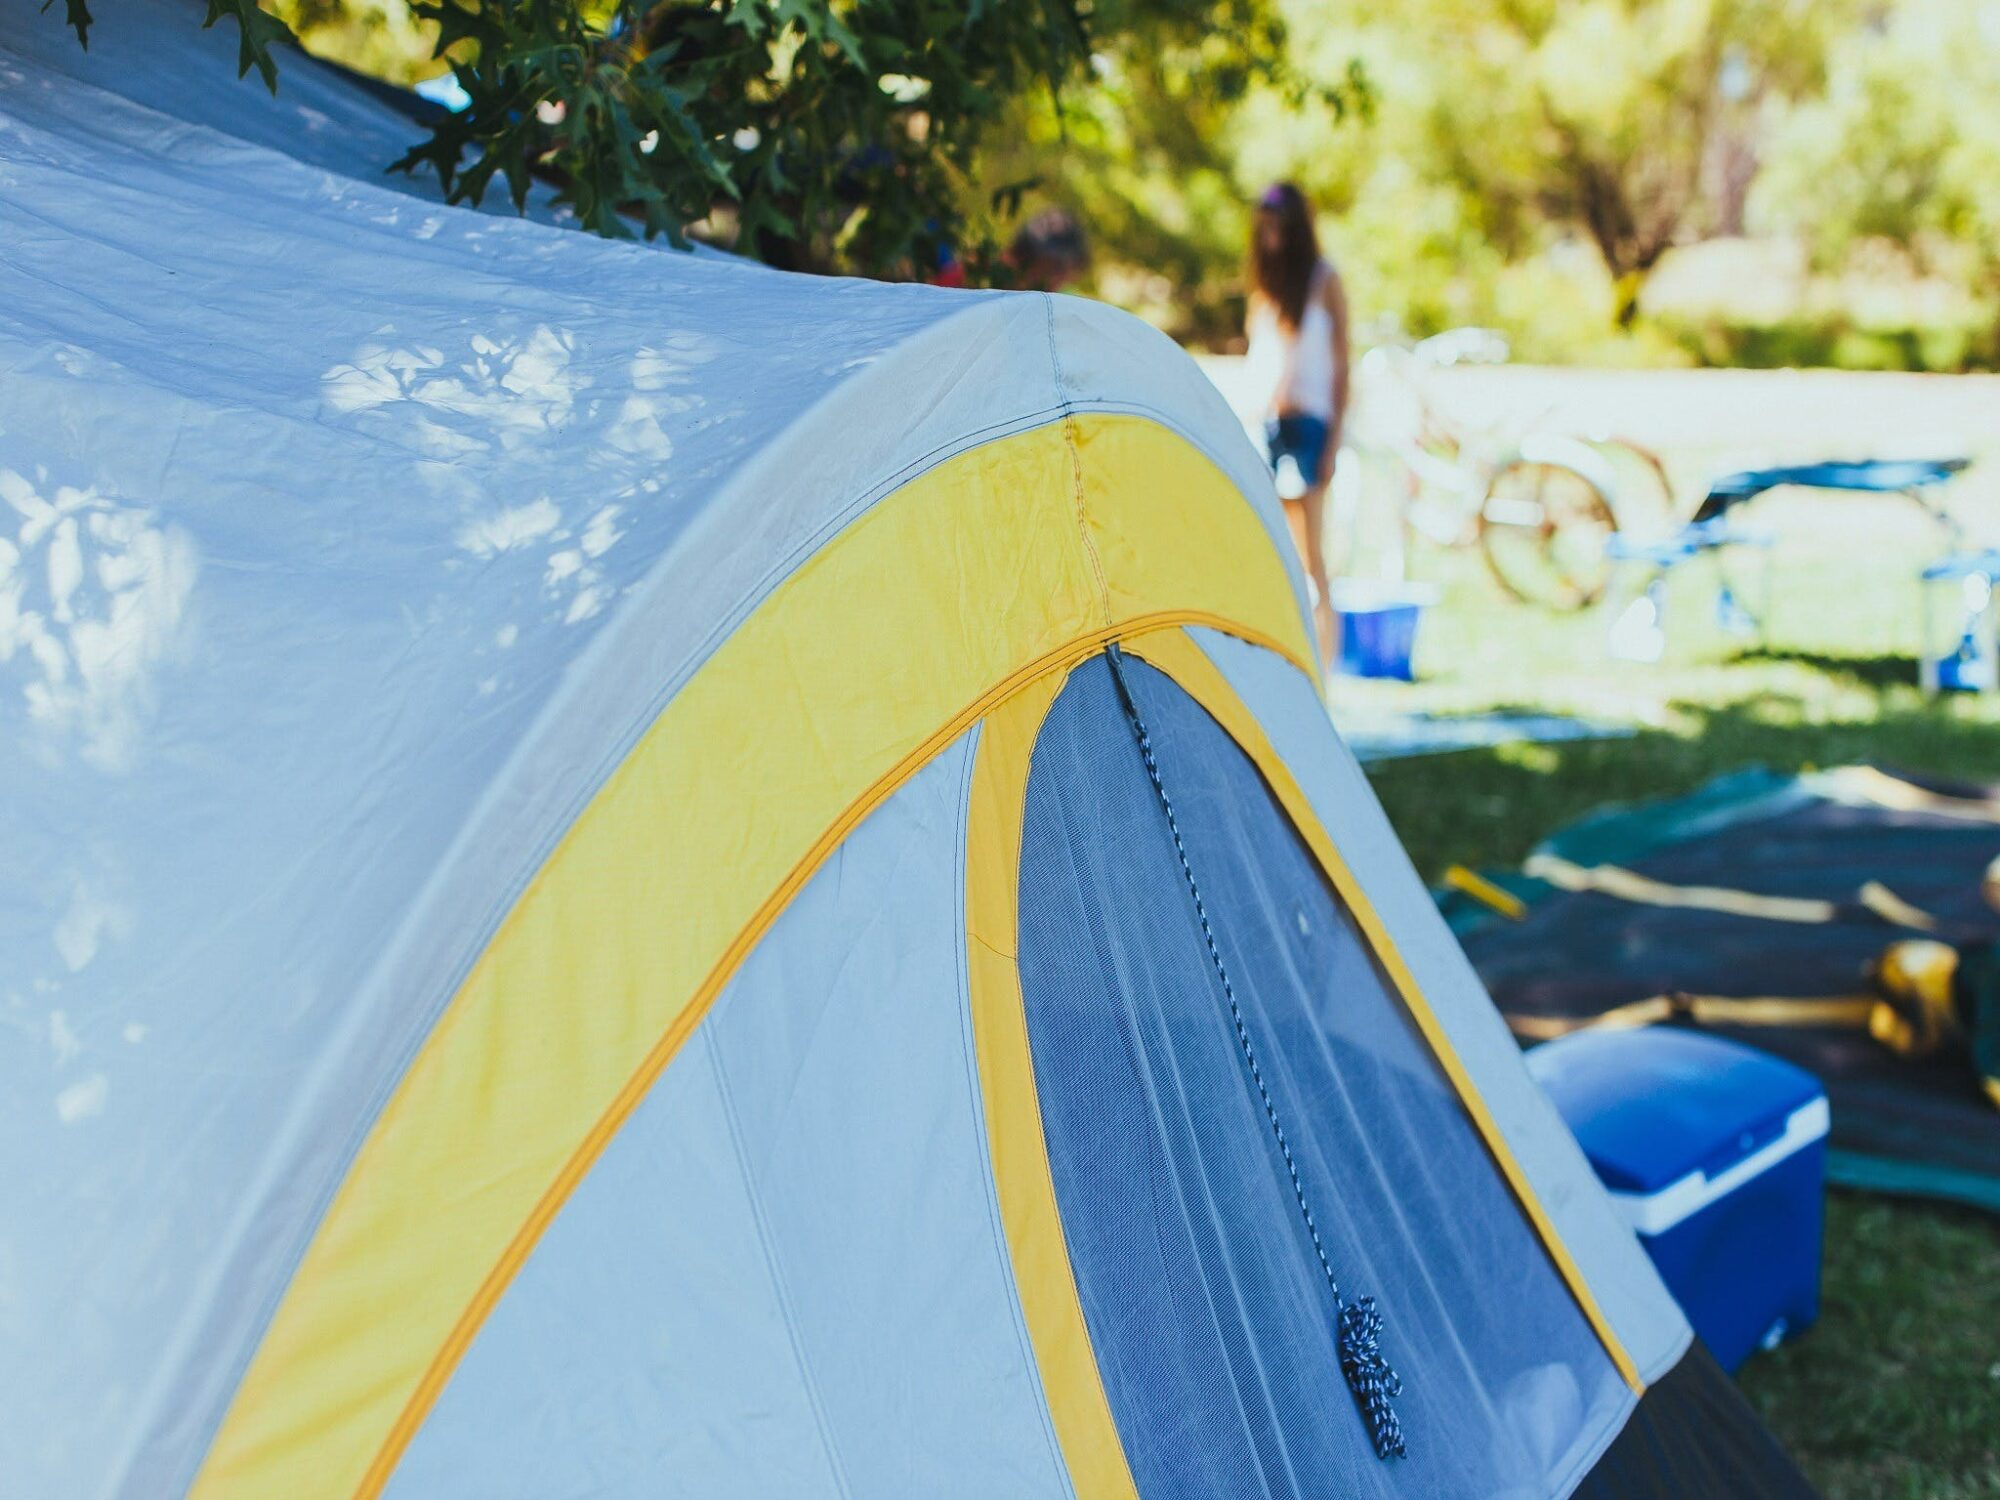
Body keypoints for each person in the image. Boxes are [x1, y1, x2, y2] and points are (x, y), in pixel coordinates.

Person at [1245, 181, 1349, 666]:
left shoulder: (1324, 280)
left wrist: (1332, 443)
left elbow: (1343, 365)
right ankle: (1287, 660)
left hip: (1311, 426)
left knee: (1312, 553)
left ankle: (1325, 661)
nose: (1270, 235)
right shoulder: (1265, 287)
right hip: (1271, 427)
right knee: (1274, 551)